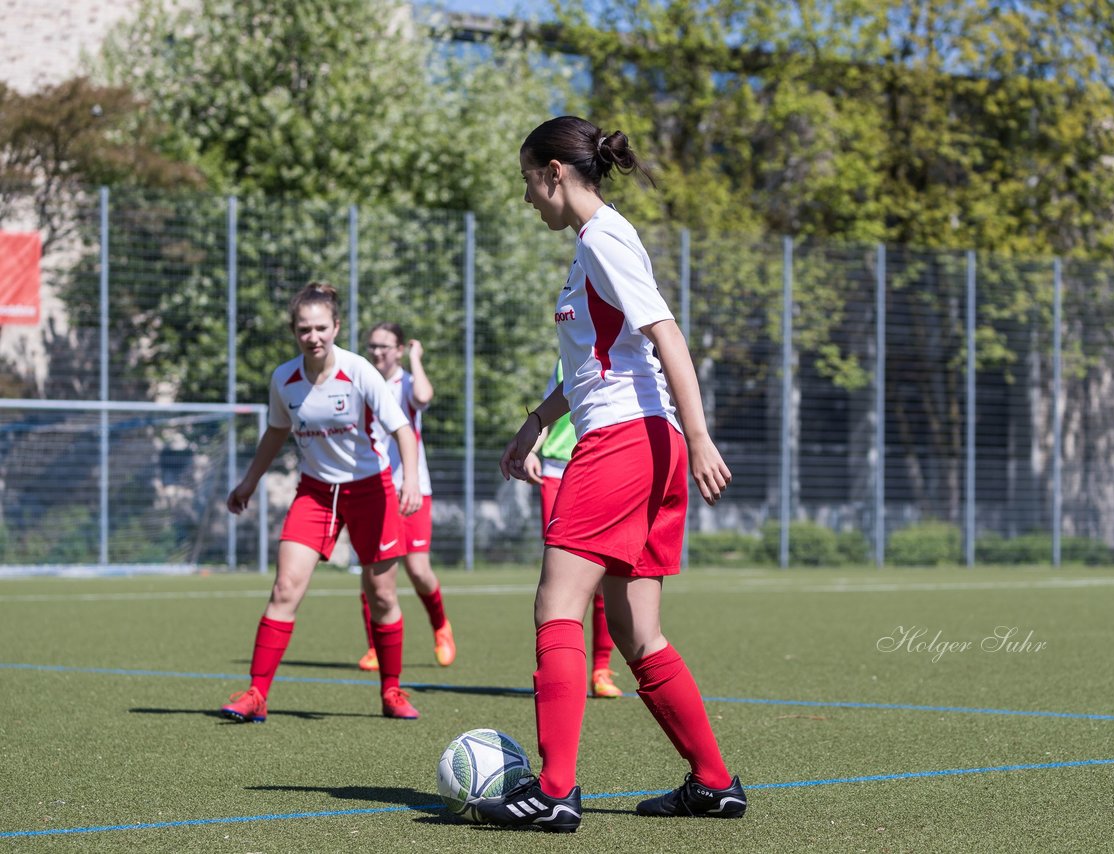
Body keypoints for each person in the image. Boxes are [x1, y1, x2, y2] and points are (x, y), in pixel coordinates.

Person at [478, 116, 746, 833]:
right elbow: (603, 362)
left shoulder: (603, 238)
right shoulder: (589, 249)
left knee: (556, 608)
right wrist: (537, 420)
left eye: (528, 181)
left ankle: (555, 791)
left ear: (554, 174)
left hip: (627, 445)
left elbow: (665, 334)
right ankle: (715, 782)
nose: (528, 197)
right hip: (643, 442)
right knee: (638, 633)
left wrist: (700, 436)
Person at [220, 282, 422, 723]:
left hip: (371, 490)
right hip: (315, 493)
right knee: (285, 588)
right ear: (294, 331)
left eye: (320, 328)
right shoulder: (284, 379)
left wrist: (408, 484)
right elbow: (276, 431)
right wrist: (249, 482)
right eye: (303, 329)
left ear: (336, 327)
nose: (313, 337)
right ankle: (256, 694)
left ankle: (391, 692)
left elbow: (402, 429)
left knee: (383, 594)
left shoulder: (360, 371)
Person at [355, 322, 456, 671]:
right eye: (373, 346)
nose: (378, 352)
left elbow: (425, 397)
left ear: (399, 349)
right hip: (373, 487)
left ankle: (440, 626)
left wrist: (416, 358)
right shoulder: (363, 381)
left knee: (417, 568)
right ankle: (374, 646)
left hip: (413, 488)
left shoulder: (408, 382)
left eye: (385, 346)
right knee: (373, 570)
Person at [523, 358, 622, 699]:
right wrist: (530, 450)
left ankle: (601, 669)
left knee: (600, 576)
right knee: (561, 576)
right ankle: (561, 673)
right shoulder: (565, 359)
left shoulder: (620, 355)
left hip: (599, 467)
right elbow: (549, 411)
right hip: (555, 471)